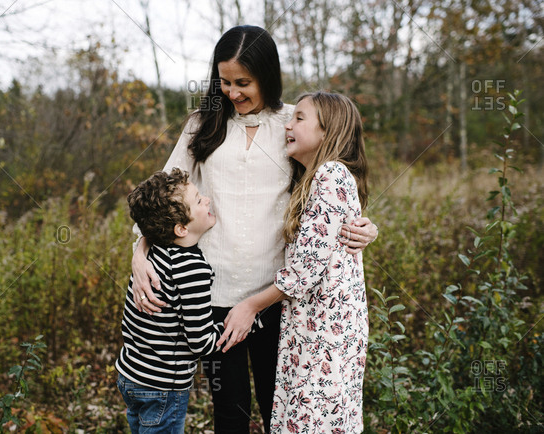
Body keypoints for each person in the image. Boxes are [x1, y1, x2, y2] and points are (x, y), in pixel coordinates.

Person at [131, 25, 378, 433]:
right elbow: (160, 199)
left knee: (277, 405)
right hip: (213, 293)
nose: (232, 92)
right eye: (224, 81)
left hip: (276, 296)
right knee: (230, 411)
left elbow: (328, 193)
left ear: (267, 75)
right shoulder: (202, 126)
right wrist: (139, 253)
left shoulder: (292, 124)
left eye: (243, 82)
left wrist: (366, 229)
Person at [218, 91, 370, 433]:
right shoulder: (315, 178)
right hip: (315, 328)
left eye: (299, 118)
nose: (289, 124)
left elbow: (305, 271)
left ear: (327, 131)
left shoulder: (330, 175)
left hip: (325, 334)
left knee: (312, 422)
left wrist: (251, 306)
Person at [116, 168, 225, 433]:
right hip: (163, 387)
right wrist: (232, 328)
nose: (208, 200)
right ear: (181, 228)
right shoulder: (193, 269)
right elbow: (199, 341)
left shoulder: (153, 254)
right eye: (199, 200)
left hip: (130, 375)